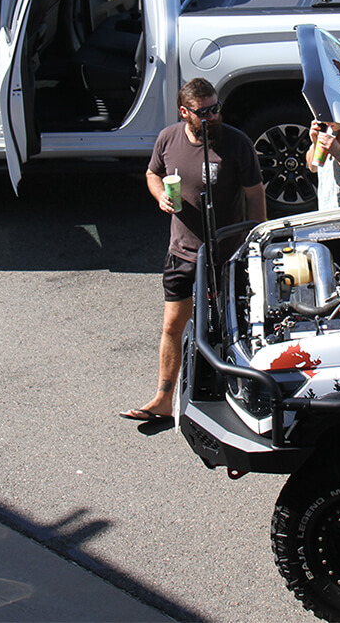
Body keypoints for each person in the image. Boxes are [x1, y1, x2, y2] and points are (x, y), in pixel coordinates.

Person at [120, 78, 266, 422]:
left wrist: (254, 240)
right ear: (184, 112)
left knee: (233, 325)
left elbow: (255, 194)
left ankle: (241, 395)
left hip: (226, 253)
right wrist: (159, 196)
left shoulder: (236, 143)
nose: (213, 116)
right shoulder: (168, 139)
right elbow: (152, 174)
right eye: (204, 112)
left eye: (216, 108)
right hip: (183, 251)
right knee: (173, 324)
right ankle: (162, 399)